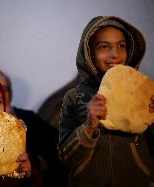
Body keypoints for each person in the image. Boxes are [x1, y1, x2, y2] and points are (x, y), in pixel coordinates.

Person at [57, 16, 154, 187]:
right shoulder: (74, 97)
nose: (115, 54)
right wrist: (89, 127)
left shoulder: (144, 93)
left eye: (121, 45)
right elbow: (66, 158)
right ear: (89, 52)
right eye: (104, 46)